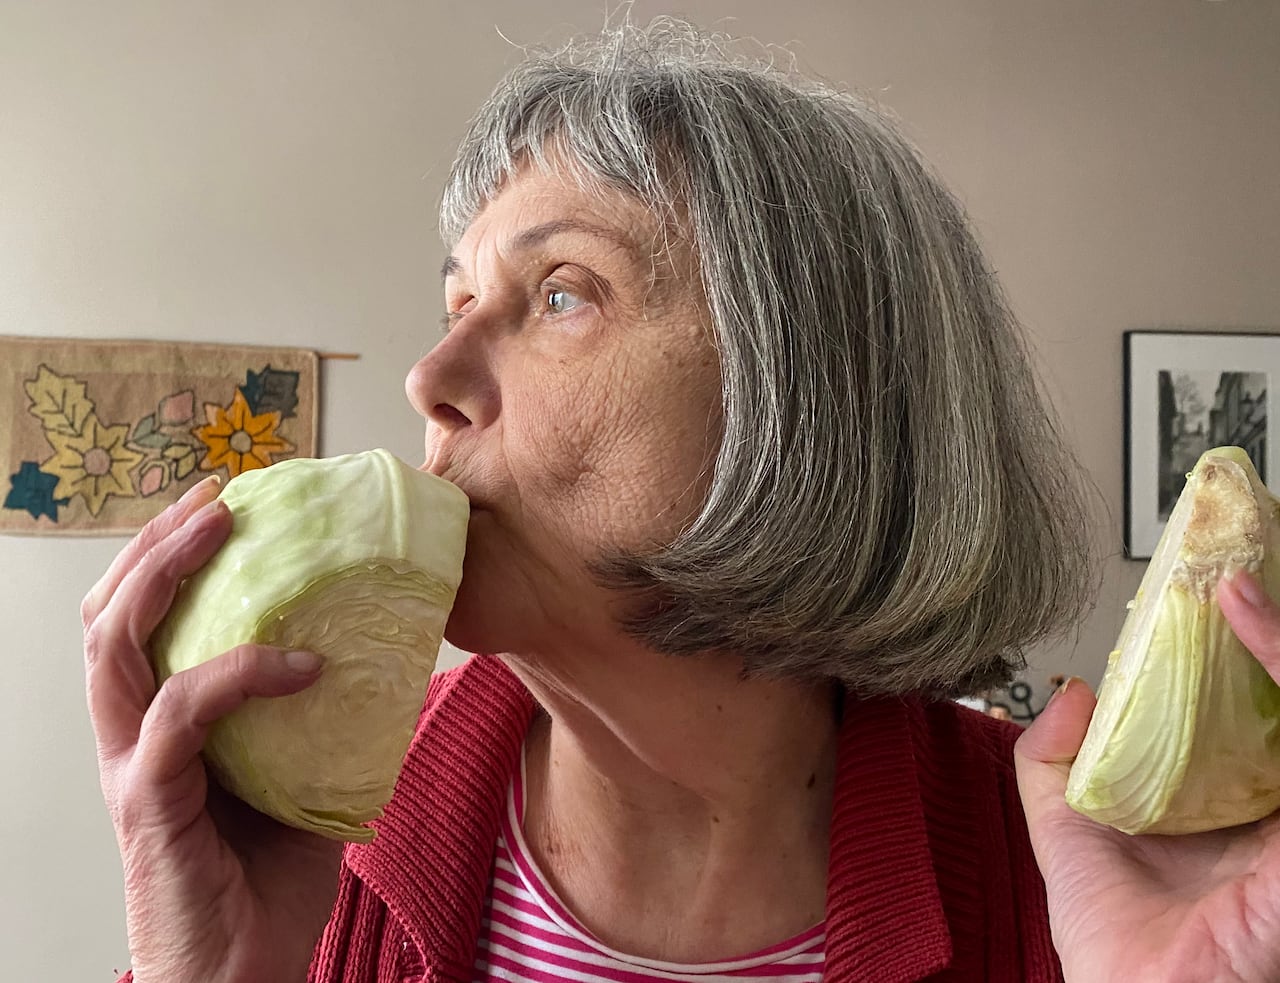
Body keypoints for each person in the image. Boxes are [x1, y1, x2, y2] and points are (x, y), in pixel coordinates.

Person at [83, 19, 1280, 983]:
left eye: (559, 293)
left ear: (815, 389)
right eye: (456, 306)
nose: (429, 382)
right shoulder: (316, 850)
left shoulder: (1074, 879)